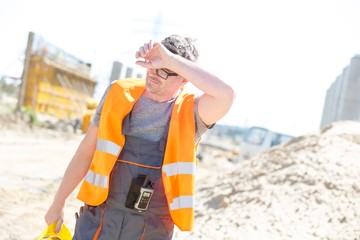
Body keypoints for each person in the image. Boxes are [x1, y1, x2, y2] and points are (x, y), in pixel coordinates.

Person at [44, 34, 235, 239]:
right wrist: (58, 202)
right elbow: (86, 151)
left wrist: (170, 59)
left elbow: (226, 94)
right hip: (99, 221)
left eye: (164, 70)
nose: (153, 73)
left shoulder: (192, 112)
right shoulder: (118, 94)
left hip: (151, 230)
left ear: (183, 77)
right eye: (152, 65)